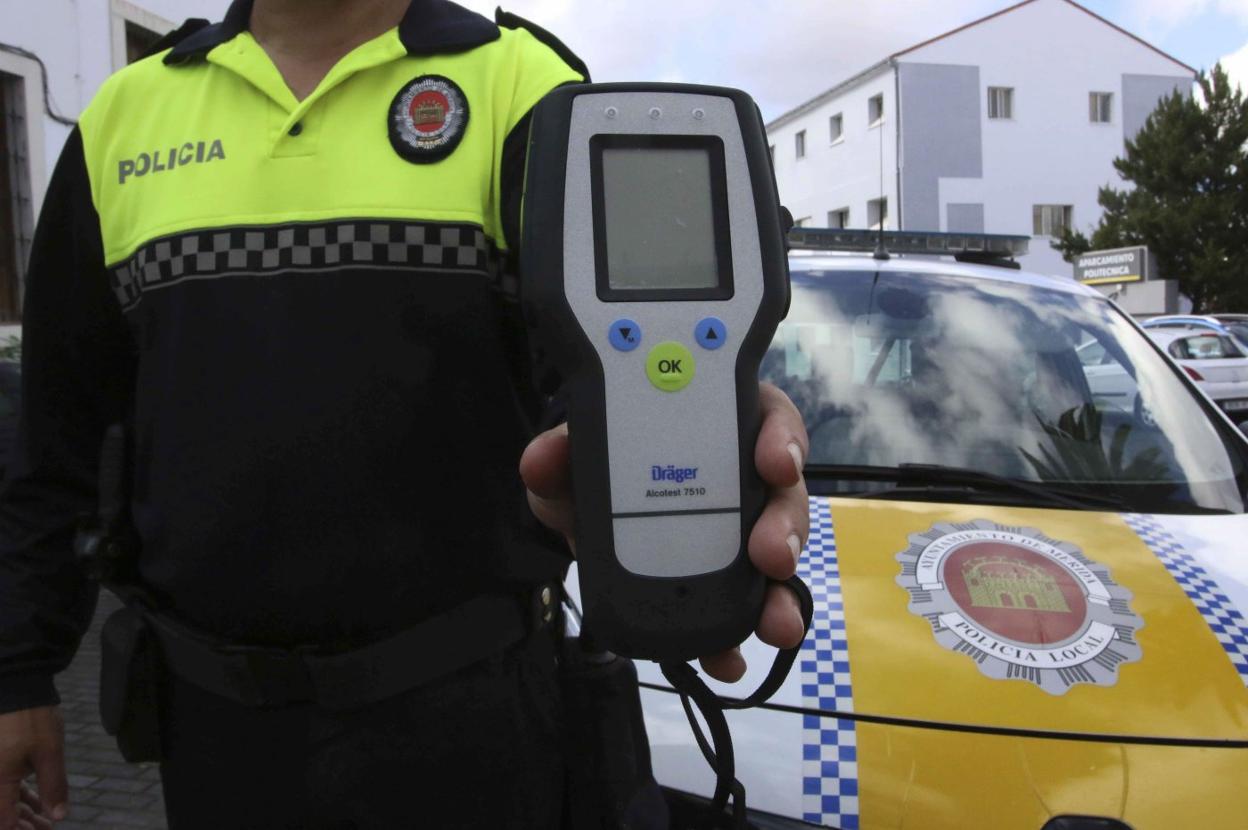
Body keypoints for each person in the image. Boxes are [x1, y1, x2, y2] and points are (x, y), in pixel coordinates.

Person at [0, 1, 810, 827]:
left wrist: (695, 428)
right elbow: (56, 435)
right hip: (213, 741)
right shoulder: (123, 114)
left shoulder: (522, 87)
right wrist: (17, 673)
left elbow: (601, 377)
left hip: (475, 731)